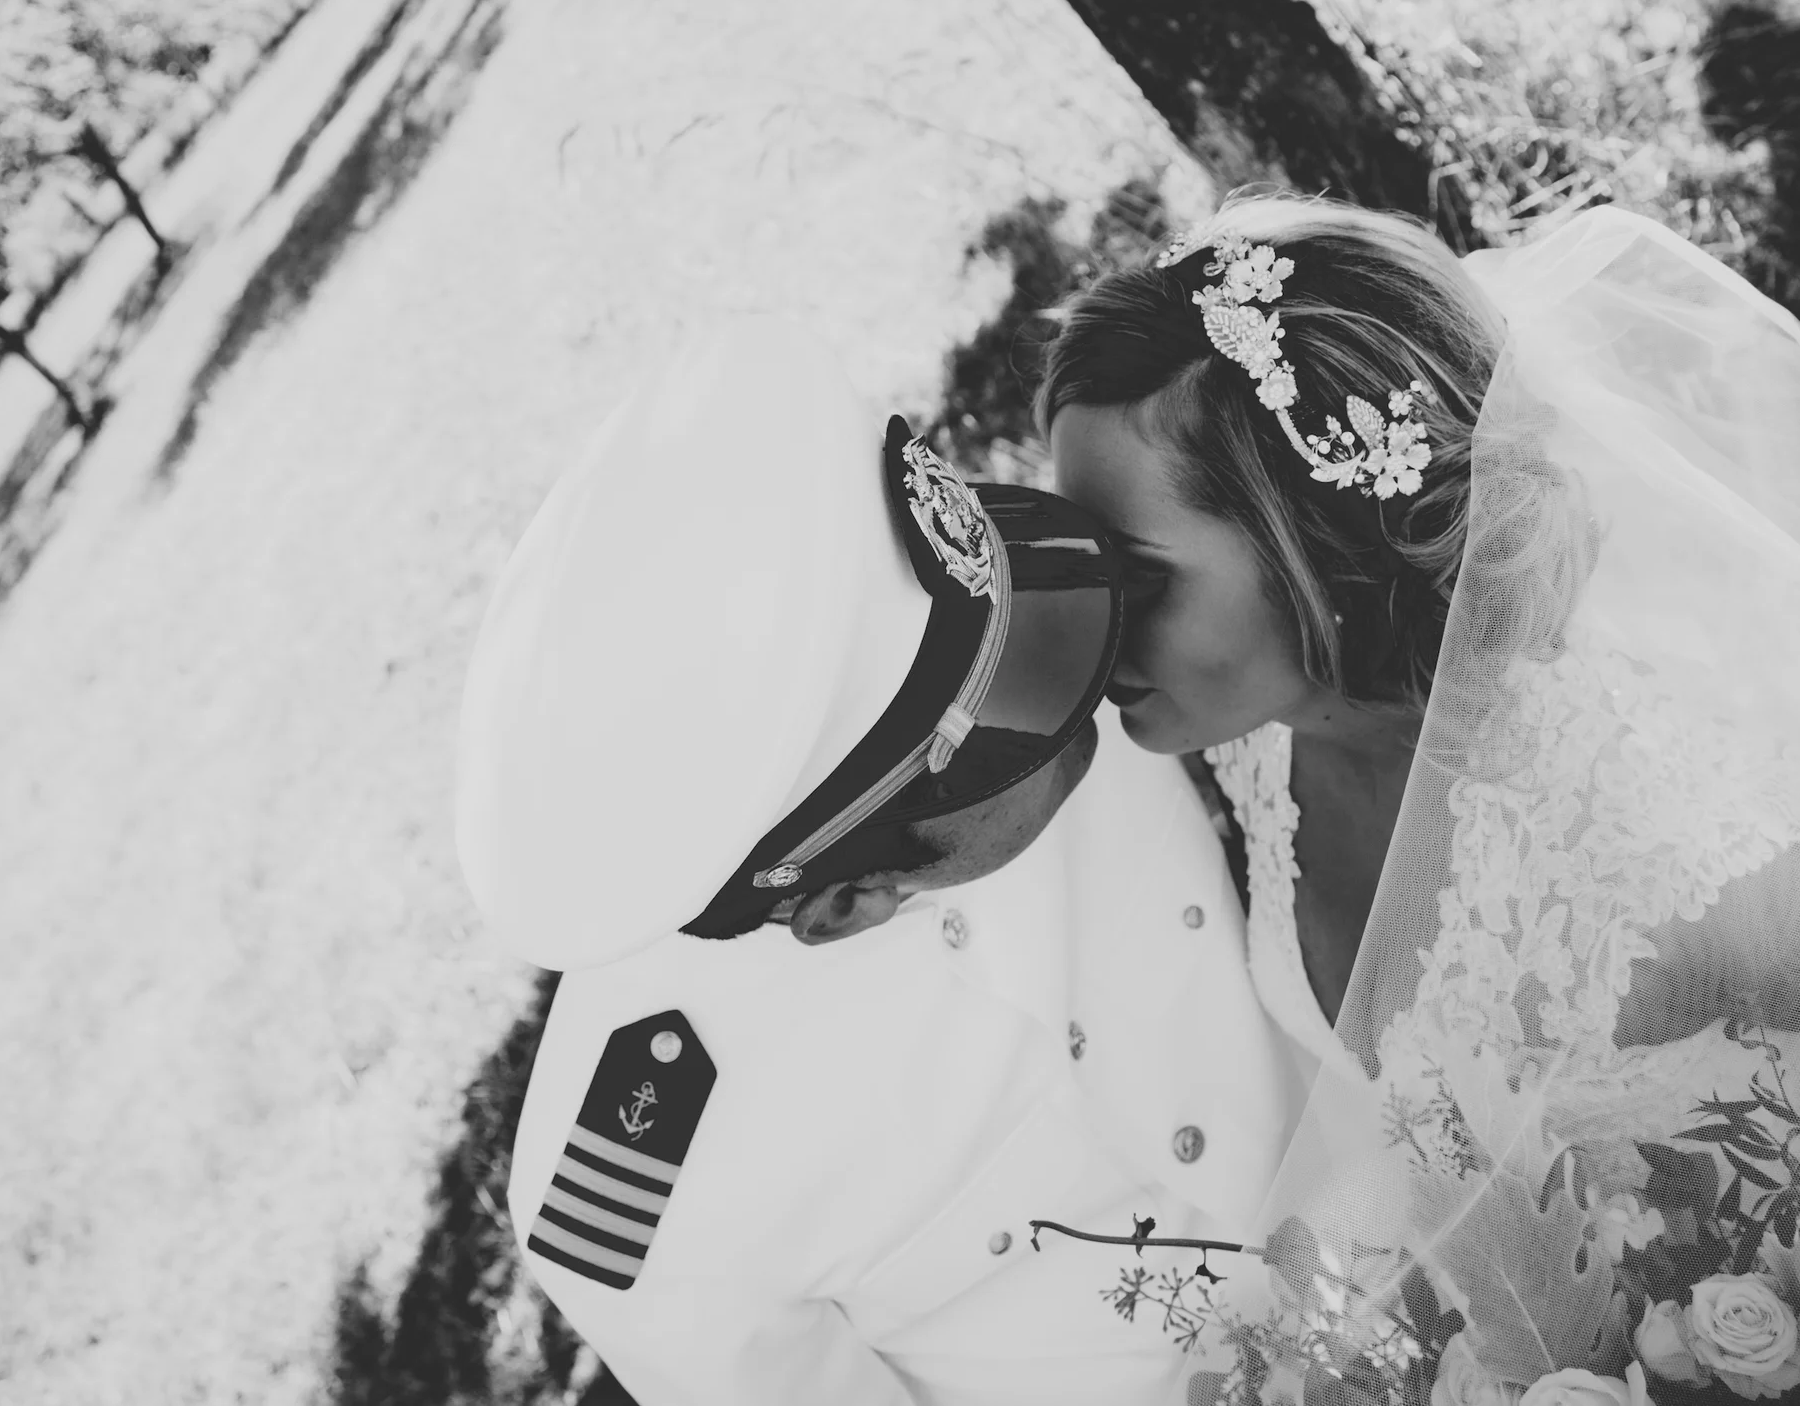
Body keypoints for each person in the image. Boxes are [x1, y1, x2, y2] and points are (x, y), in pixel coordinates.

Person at [1034, 193, 1800, 1399]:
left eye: (1136, 572)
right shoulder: (1260, 740)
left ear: (1316, 549)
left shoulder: (1637, 820)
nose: (1091, 616)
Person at [452, 318, 1313, 1405]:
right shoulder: (648, 1210)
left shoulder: (997, 653)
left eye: (1019, 628)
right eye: (1007, 711)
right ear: (845, 901)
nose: (1085, 678)